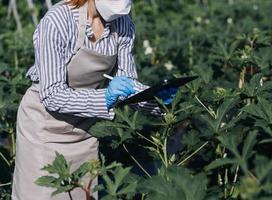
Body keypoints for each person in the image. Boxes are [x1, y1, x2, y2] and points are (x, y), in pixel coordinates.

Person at [11, 0, 177, 199]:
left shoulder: (123, 24)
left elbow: (127, 85)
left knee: (84, 193)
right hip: (43, 128)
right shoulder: (58, 20)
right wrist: (105, 97)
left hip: (84, 130)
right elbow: (52, 95)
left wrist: (157, 99)